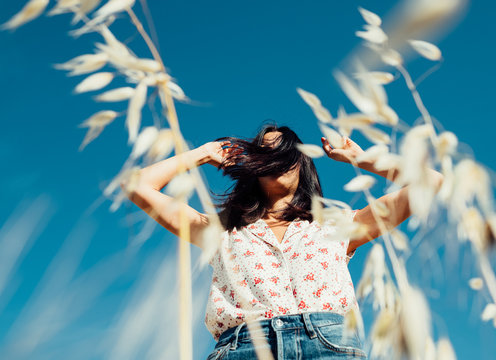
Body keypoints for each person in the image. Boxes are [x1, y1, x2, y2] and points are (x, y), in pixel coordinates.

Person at [124, 123, 443, 359]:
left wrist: (363, 159)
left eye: (284, 151)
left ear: (302, 163)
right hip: (243, 348)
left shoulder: (340, 224)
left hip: (329, 346)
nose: (275, 157)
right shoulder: (221, 231)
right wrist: (204, 153)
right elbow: (137, 186)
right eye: (265, 151)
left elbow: (431, 182)